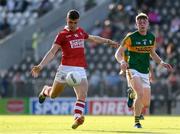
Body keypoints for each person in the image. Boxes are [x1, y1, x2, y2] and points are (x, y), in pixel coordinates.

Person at [31, 9, 118, 129]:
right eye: (70, 22)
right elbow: (52, 52)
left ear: (78, 22)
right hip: (65, 69)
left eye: (75, 22)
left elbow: (93, 38)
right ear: (67, 20)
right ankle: (45, 90)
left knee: (82, 94)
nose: (72, 25)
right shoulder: (61, 35)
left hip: (79, 69)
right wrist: (40, 65)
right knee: (53, 95)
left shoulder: (81, 31)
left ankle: (77, 117)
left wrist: (107, 41)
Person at [115, 12, 173, 128]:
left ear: (148, 24)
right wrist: (122, 61)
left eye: (144, 22)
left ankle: (131, 94)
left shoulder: (151, 37)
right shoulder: (130, 37)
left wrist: (161, 62)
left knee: (146, 103)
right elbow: (118, 53)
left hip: (144, 71)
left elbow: (152, 53)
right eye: (139, 22)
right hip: (132, 69)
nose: (142, 24)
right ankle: (136, 122)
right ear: (136, 24)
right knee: (140, 94)